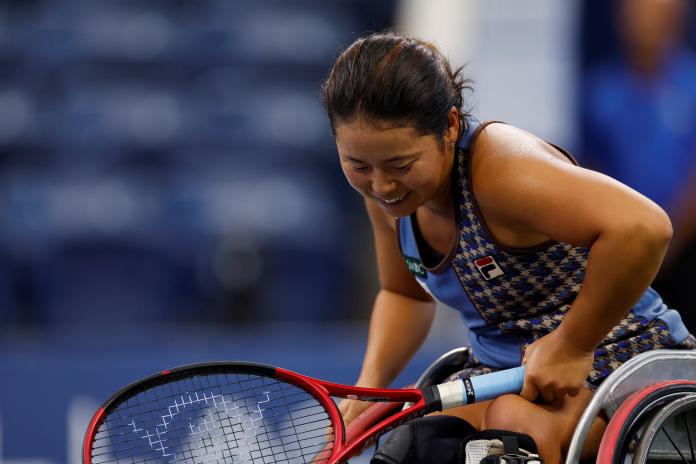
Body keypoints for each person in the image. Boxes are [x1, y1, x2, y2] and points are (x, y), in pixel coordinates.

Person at [320, 31, 695, 463]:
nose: (381, 185)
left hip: (620, 361)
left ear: (451, 126)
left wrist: (572, 343)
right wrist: (368, 394)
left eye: (401, 165)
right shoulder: (389, 197)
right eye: (358, 164)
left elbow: (645, 228)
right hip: (506, 374)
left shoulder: (501, 170)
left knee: (513, 434)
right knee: (416, 446)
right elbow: (403, 294)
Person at [581, 0, 696, 332]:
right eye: (636, 15)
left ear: (675, 19)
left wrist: (667, 242)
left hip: (686, 246)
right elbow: (592, 170)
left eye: (654, 14)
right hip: (624, 245)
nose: (644, 23)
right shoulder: (602, 90)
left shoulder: (690, 84)